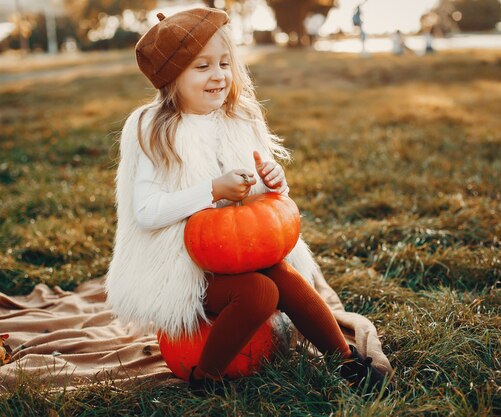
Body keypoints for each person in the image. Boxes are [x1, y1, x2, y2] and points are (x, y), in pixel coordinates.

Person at [105, 7, 390, 396]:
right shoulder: (156, 129)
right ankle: (206, 378)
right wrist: (212, 190)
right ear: (172, 76)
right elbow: (146, 212)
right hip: (186, 269)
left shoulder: (239, 119)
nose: (219, 75)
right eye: (201, 66)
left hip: (239, 253)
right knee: (259, 292)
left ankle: (345, 362)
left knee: (284, 276)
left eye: (224, 63)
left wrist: (275, 184)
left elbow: (261, 207)